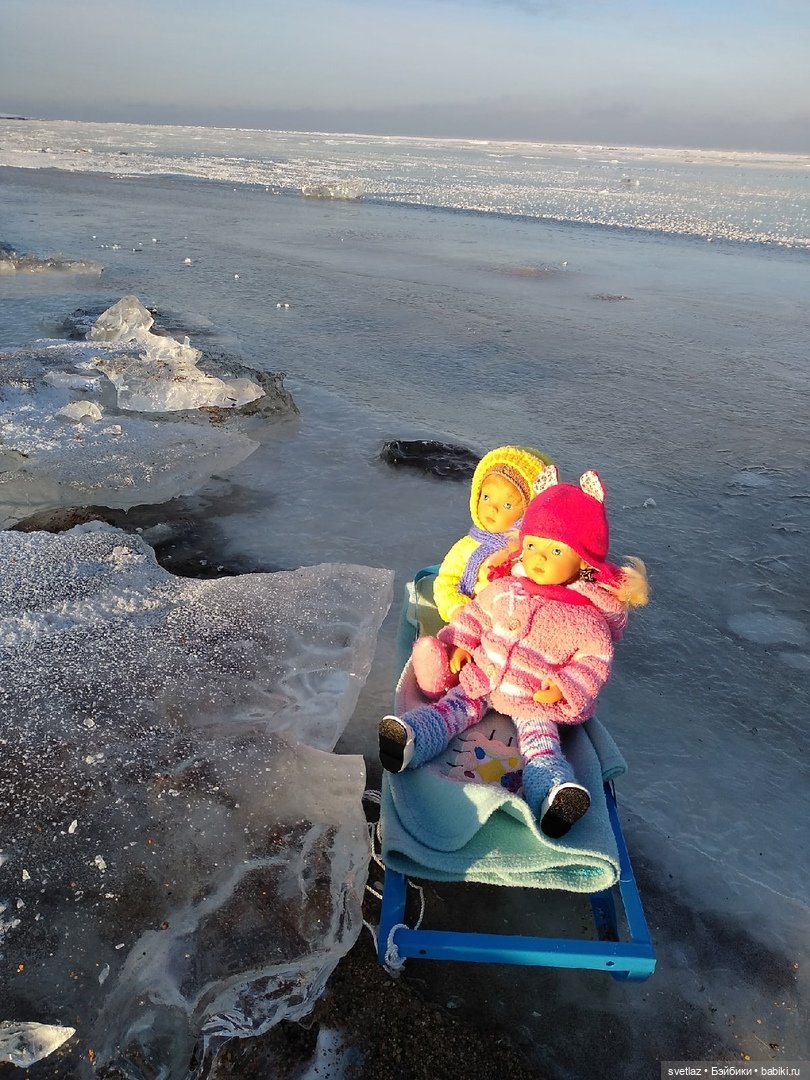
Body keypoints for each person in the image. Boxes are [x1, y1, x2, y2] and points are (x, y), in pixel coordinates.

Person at [379, 465, 649, 838]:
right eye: (533, 544)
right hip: (484, 678)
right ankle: (408, 741)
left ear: (584, 561)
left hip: (532, 699)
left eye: (555, 550)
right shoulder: (506, 587)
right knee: (451, 709)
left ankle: (554, 797)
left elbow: (593, 662)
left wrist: (564, 687)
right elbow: (475, 615)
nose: (538, 557)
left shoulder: (585, 618)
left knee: (541, 747)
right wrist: (459, 643)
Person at [431, 445, 554, 625]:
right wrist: (457, 608)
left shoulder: (530, 552)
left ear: (529, 512)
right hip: (470, 620)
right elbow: (446, 581)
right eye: (486, 497)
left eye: (507, 505)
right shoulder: (467, 547)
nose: (492, 508)